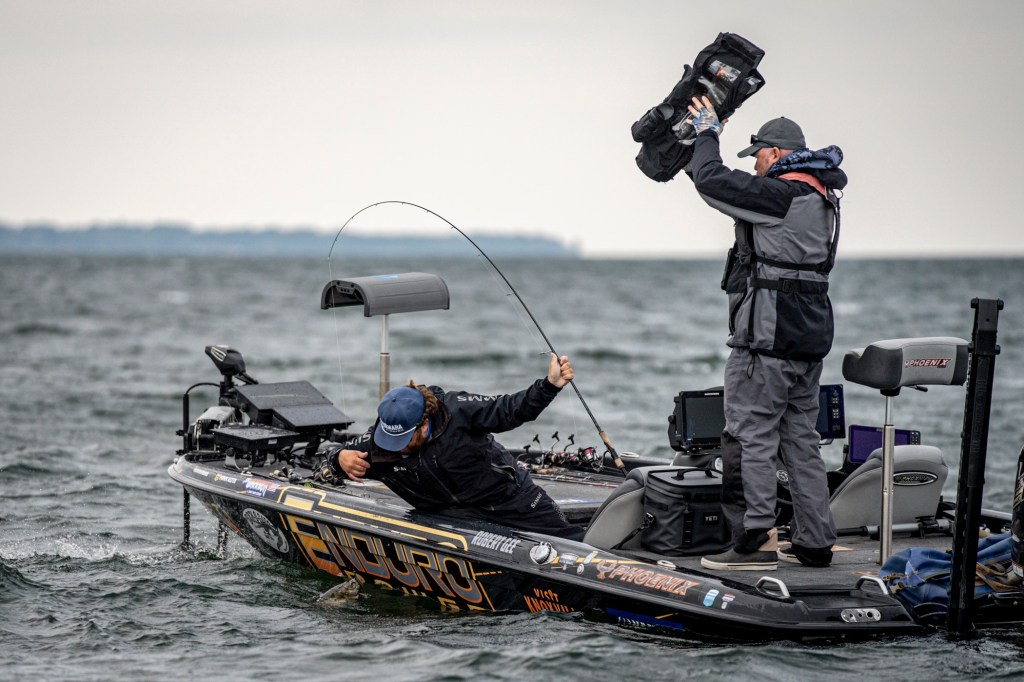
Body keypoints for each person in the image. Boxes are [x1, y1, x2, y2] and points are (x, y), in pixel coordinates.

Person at [682, 95, 847, 570]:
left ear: (775, 153)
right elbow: (719, 185)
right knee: (801, 442)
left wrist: (708, 134)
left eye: (757, 156)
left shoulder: (779, 195)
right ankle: (815, 542)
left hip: (766, 343)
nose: (755, 166)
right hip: (807, 343)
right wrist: (698, 151)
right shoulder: (821, 198)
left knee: (748, 436)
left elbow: (712, 181)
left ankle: (754, 542)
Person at [325, 353, 583, 539]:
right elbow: (331, 457)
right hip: (450, 518)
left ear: (423, 424)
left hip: (512, 499)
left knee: (575, 544)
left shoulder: (458, 410)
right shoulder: (379, 442)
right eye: (390, 439)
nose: (397, 447)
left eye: (404, 439)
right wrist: (340, 459)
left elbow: (509, 410)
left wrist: (549, 386)